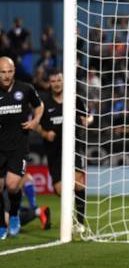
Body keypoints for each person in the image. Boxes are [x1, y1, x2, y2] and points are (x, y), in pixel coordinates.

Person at [35, 69, 92, 233]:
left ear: (64, 81)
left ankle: (79, 223)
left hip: (75, 147)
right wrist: (45, 133)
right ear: (49, 84)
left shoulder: (74, 99)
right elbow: (35, 123)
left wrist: (86, 120)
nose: (57, 84)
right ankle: (70, 216)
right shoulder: (44, 104)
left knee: (78, 183)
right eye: (53, 81)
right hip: (55, 151)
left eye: (59, 80)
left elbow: (88, 115)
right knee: (60, 190)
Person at [0, 57, 44, 239]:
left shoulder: (25, 89)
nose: (6, 75)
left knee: (12, 186)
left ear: (14, 71)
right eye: (2, 72)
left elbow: (39, 106)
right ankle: (2, 225)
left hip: (19, 146)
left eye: (9, 71)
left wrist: (35, 121)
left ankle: (15, 215)